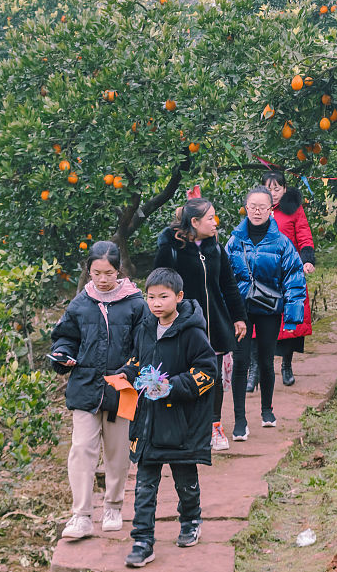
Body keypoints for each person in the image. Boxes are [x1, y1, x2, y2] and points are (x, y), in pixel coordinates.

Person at [116, 267, 217, 565]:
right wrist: (126, 374)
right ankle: (142, 541)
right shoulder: (145, 328)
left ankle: (190, 521)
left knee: (184, 479)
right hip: (148, 422)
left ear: (179, 297)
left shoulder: (193, 332)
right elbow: (138, 360)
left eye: (163, 297)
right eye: (151, 297)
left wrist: (172, 387)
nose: (156, 303)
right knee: (145, 484)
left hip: (179, 422)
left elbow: (207, 372)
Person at [49, 241, 145, 540]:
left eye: (108, 273)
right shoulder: (80, 303)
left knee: (117, 453)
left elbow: (145, 346)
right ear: (88, 271)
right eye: (96, 272)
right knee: (81, 450)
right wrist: (62, 356)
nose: (102, 279)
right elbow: (65, 338)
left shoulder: (136, 304)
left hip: (122, 389)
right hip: (85, 387)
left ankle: (113, 507)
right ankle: (81, 515)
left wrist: (130, 371)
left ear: (119, 271)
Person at [154, 198, 247, 452]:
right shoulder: (171, 249)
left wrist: (238, 317)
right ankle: (186, 428)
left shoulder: (214, 248)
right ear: (194, 222)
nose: (215, 223)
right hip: (182, 325)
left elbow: (228, 284)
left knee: (213, 377)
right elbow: (158, 287)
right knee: (183, 376)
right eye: (210, 218)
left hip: (213, 325)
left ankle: (214, 425)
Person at [226, 187, 306, 440]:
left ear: (271, 209)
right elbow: (223, 278)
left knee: (265, 360)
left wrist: (293, 316)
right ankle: (240, 419)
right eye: (253, 206)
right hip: (241, 310)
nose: (258, 211)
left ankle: (267, 410)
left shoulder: (282, 242)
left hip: (269, 309)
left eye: (263, 206)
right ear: (246, 208)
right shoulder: (234, 240)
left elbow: (294, 278)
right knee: (240, 362)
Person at [257, 171, 315, 388]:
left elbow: (304, 234)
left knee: (289, 321)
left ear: (284, 189)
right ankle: (258, 369)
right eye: (268, 188)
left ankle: (286, 365)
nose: (272, 193)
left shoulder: (293, 210)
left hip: (288, 272)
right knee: (259, 322)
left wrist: (307, 259)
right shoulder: (257, 209)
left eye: (277, 188)